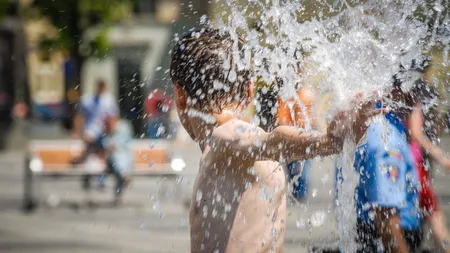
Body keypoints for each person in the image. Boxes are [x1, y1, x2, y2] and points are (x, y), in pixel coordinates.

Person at [170, 28, 382, 253]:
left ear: (180, 96)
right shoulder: (237, 151)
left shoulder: (223, 137)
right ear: (250, 91)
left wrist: (328, 142)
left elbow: (271, 140)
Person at [406, 60, 450, 253]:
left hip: (407, 161)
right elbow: (416, 133)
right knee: (433, 212)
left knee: (423, 211)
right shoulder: (416, 94)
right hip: (415, 163)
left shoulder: (403, 92)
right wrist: (440, 156)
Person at [72, 80, 119, 191]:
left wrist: (111, 133)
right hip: (89, 132)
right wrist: (78, 132)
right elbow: (80, 116)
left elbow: (112, 118)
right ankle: (87, 177)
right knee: (90, 154)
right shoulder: (88, 100)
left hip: (103, 133)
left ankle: (100, 178)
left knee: (102, 155)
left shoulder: (108, 100)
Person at [104, 118, 134, 206]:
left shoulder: (122, 131)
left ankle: (124, 174)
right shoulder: (108, 135)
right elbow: (107, 147)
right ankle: (125, 175)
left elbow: (127, 146)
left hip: (121, 161)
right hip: (112, 163)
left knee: (123, 157)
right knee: (117, 158)